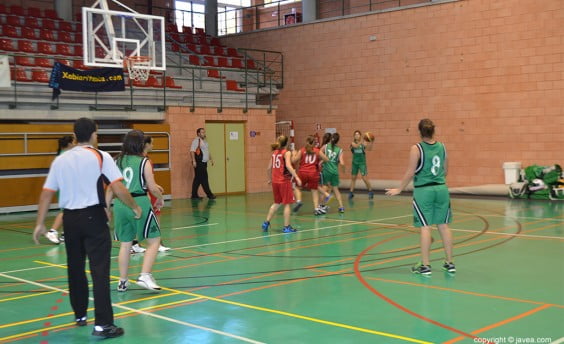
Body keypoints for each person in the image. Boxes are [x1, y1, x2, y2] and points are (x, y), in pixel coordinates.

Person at [33, 117, 141, 338]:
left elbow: (46, 193)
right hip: (93, 217)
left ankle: (80, 314)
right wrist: (134, 206)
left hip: (70, 220)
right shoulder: (100, 156)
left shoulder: (61, 160)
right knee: (99, 271)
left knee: (75, 268)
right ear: (94, 133)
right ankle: (103, 325)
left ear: (74, 136)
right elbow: (117, 186)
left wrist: (40, 223)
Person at [385, 118, 455, 276]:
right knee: (443, 226)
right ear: (433, 131)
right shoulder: (443, 147)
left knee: (425, 227)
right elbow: (445, 170)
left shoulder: (416, 148)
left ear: (419, 132)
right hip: (442, 188)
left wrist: (399, 189)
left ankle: (425, 265)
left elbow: (410, 172)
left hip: (424, 190)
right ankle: (450, 263)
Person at [106, 130, 164, 292]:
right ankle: (145, 274)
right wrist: (160, 197)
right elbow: (151, 187)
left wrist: (106, 207)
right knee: (154, 241)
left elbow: (112, 187)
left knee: (126, 244)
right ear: (140, 144)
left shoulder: (116, 161)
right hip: (138, 202)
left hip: (120, 204)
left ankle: (123, 281)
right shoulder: (143, 161)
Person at [129, 136, 171, 254]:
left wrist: (156, 185)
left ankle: (137, 244)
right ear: (146, 144)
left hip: (147, 190)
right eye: (151, 143)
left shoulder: (143, 159)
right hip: (144, 193)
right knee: (152, 217)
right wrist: (153, 190)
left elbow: (146, 178)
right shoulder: (142, 160)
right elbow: (142, 180)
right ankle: (156, 243)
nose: (153, 145)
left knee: (144, 218)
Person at [262, 135, 302, 233]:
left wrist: (269, 179)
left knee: (277, 203)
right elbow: (288, 165)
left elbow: (268, 168)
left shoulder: (274, 153)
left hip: (275, 181)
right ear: (286, 143)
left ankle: (266, 222)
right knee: (287, 204)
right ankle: (287, 226)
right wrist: (296, 176)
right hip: (284, 181)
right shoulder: (286, 153)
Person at [44, 135, 75, 244]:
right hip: (65, 187)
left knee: (71, 212)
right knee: (66, 211)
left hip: (63, 187)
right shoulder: (66, 157)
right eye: (73, 142)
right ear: (70, 144)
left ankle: (65, 234)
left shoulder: (61, 156)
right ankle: (53, 231)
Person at [292, 135, 329, 215]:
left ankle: (298, 201)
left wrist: (294, 154)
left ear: (307, 142)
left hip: (303, 172)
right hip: (313, 173)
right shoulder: (317, 150)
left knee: (297, 188)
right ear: (314, 143)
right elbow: (326, 159)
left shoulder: (302, 150)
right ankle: (316, 208)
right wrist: (320, 162)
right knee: (314, 191)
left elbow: (294, 161)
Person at [321, 133, 346, 213]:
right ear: (337, 141)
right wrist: (343, 170)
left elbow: (319, 153)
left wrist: (323, 160)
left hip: (326, 170)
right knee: (336, 189)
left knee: (324, 188)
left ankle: (321, 205)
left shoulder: (325, 146)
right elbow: (342, 163)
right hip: (334, 172)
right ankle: (341, 206)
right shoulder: (340, 150)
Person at [190, 128, 216, 200]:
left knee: (197, 179)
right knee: (204, 178)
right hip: (199, 163)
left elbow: (207, 151)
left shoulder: (204, 141)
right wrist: (194, 161)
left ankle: (194, 195)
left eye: (204, 132)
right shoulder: (196, 141)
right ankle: (210, 195)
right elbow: (192, 151)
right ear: (198, 133)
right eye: (202, 132)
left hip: (204, 163)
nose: (204, 133)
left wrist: (211, 159)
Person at [349, 130, 374, 200]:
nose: (357, 135)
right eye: (355, 135)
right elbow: (356, 146)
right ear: (354, 136)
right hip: (354, 163)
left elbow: (369, 149)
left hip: (362, 163)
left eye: (358, 134)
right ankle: (351, 193)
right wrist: (363, 141)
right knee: (353, 178)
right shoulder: (353, 143)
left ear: (360, 135)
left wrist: (371, 142)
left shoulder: (364, 143)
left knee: (364, 178)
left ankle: (370, 191)